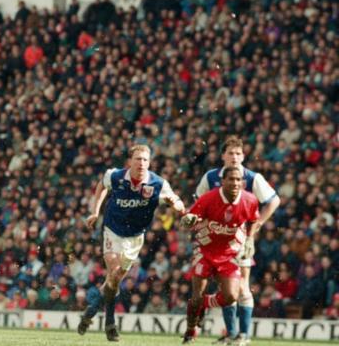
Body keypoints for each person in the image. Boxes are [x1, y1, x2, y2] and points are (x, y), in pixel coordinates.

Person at [77, 144, 186, 342]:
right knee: (113, 269)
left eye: (145, 160)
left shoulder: (158, 183)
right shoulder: (116, 176)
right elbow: (101, 185)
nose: (142, 163)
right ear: (130, 161)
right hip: (113, 231)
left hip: (135, 237)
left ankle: (91, 311)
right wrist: (95, 210)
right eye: (138, 159)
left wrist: (177, 206)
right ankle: (110, 324)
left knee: (115, 279)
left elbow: (177, 201)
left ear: (149, 162)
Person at [196, 136, 279, 346]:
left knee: (242, 286)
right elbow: (199, 203)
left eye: (238, 154)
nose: (234, 157)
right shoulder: (211, 177)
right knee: (226, 289)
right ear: (223, 156)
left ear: (243, 156)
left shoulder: (252, 178)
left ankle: (243, 335)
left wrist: (257, 225)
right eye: (230, 153)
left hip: (240, 240)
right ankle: (231, 335)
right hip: (216, 241)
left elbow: (273, 200)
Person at [181, 167, 260, 344]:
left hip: (229, 253)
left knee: (231, 296)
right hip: (205, 250)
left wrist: (250, 239)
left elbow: (254, 219)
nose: (235, 183)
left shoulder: (250, 200)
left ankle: (204, 303)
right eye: (231, 179)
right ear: (222, 181)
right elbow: (190, 217)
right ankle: (190, 331)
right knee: (195, 296)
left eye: (238, 180)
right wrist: (188, 220)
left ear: (243, 183)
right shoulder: (209, 198)